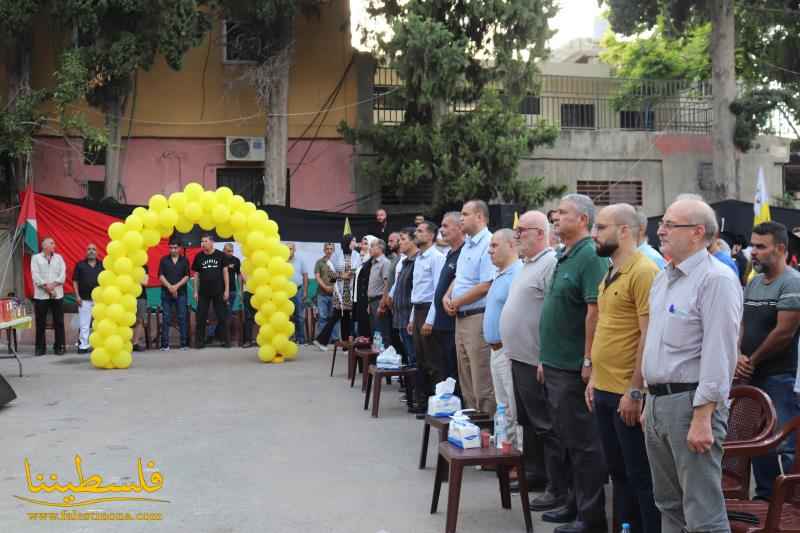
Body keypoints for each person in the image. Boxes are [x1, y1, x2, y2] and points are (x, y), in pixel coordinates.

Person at [642, 198, 742, 533]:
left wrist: (703, 416)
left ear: (698, 232)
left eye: (671, 224)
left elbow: (720, 353)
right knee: (668, 505)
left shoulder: (717, 280)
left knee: (702, 513)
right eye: (663, 223)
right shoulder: (664, 278)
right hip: (658, 404)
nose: (661, 230)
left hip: (691, 405)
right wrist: (647, 400)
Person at [586, 204, 661, 533]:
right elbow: (606, 327)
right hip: (604, 389)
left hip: (625, 394)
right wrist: (594, 378)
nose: (594, 234)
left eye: (601, 227)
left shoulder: (644, 271)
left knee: (639, 476)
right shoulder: (610, 271)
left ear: (625, 231)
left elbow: (648, 334)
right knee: (617, 473)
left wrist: (635, 389)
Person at [539, 194, 609, 533]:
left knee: (584, 445)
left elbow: (594, 312)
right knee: (566, 441)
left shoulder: (590, 257)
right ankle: (573, 502)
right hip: (554, 365)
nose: (555, 216)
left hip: (573, 368)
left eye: (562, 212)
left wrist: (587, 360)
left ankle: (591, 517)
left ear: (582, 219)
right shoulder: (565, 255)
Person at [736, 221, 800, 499]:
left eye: (761, 247)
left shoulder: (793, 282)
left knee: (784, 443)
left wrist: (751, 360)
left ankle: (791, 505)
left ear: (781, 249)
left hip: (779, 377)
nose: (754, 252)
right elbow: (742, 324)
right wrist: (738, 355)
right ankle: (765, 499)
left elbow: (784, 332)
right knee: (757, 440)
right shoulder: (754, 282)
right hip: (753, 375)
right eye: (752, 245)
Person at [502, 210, 561, 501]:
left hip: (536, 359)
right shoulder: (527, 265)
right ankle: (535, 473)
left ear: (540, 233)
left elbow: (554, 315)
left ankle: (555, 485)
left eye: (521, 231)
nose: (516, 236)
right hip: (519, 357)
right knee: (528, 421)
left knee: (546, 425)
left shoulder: (549, 263)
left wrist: (544, 357)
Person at [444, 200, 496, 414]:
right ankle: (472, 428)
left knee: (481, 379)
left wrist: (456, 301)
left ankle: (487, 432)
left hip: (477, 317)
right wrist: (447, 296)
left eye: (466, 214)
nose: (461, 218)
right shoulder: (468, 244)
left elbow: (486, 285)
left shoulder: (489, 243)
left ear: (480, 217)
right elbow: (461, 278)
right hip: (461, 317)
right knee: (465, 378)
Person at [484, 229, 523, 449]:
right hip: (495, 350)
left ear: (511, 245)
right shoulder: (499, 273)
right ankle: (506, 451)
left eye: (495, 245)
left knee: (514, 407)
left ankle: (518, 457)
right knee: (503, 406)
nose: (490, 251)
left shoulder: (517, 273)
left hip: (508, 351)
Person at [409, 221, 446, 415]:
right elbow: (417, 291)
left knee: (433, 361)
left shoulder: (436, 258)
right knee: (420, 359)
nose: (416, 233)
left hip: (429, 311)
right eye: (416, 230)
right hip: (418, 310)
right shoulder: (419, 258)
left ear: (431, 236)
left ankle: (437, 405)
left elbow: (437, 292)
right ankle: (422, 402)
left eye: (421, 231)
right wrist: (411, 318)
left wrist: (430, 319)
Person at [432, 213, 464, 384]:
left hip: (453, 323)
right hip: (441, 322)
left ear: (460, 227)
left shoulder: (464, 253)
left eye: (446, 226)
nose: (441, 230)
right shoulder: (451, 253)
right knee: (444, 368)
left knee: (454, 371)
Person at [314, 235, 356, 350]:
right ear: (347, 242)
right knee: (337, 316)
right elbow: (331, 276)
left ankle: (345, 347)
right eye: (353, 241)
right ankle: (321, 340)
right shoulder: (337, 256)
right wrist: (341, 276)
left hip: (351, 291)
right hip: (340, 292)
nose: (355, 243)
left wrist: (352, 273)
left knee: (345, 317)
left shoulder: (356, 255)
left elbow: (357, 270)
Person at [192, 235, 230, 349]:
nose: (203, 243)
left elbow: (225, 273)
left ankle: (225, 341)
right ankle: (200, 342)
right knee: (201, 317)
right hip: (203, 292)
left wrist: (227, 290)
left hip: (218, 291)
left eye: (205, 241)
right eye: (202, 241)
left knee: (222, 316)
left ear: (212, 242)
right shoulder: (199, 256)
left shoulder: (221, 255)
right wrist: (195, 291)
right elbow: (196, 275)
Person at [31, 237, 66, 356]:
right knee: (40, 322)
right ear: (44, 246)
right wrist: (48, 288)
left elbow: (62, 275)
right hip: (42, 295)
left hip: (57, 294)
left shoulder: (59, 258)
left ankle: (60, 346)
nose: (54, 245)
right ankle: (40, 348)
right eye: (51, 243)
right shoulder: (36, 258)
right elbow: (35, 276)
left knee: (59, 321)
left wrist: (53, 285)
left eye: (54, 243)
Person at [390, 228, 418, 366]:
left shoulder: (417, 261)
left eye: (403, 239)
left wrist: (412, 318)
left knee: (415, 356)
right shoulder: (405, 261)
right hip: (401, 316)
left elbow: (417, 292)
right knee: (408, 354)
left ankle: (416, 386)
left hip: (410, 317)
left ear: (413, 241)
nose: (399, 242)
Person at [158, 241, 190, 350]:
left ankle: (184, 344)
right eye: (171, 248)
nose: (173, 250)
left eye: (175, 248)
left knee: (182, 317)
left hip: (181, 293)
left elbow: (186, 276)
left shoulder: (184, 260)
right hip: (166, 293)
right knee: (166, 318)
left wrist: (176, 287)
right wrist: (170, 287)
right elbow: (161, 276)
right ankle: (165, 345)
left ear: (179, 248)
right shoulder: (164, 260)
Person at [72, 243, 103, 354]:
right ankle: (83, 346)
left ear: (97, 252)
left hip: (100, 300)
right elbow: (75, 281)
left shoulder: (102, 265)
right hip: (84, 299)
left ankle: (98, 345)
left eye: (93, 249)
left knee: (99, 324)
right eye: (89, 249)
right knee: (84, 324)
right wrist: (77, 296)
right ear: (86, 252)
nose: (91, 251)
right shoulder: (80, 265)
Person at [207, 243, 240, 343]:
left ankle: (224, 337)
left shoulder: (236, 260)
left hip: (232, 291)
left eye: (231, 251)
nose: (230, 253)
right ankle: (210, 336)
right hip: (218, 291)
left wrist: (239, 290)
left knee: (228, 315)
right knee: (215, 314)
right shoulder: (218, 259)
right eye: (228, 251)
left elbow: (238, 275)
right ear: (223, 250)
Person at [367, 239, 392, 343]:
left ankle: (384, 357)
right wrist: (369, 303)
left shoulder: (385, 262)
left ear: (381, 248)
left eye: (373, 246)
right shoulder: (373, 263)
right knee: (375, 333)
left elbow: (387, 283)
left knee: (382, 332)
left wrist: (383, 302)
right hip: (372, 301)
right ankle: (377, 357)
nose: (370, 248)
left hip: (379, 300)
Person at [313, 243, 337, 348]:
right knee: (322, 317)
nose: (329, 250)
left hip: (334, 294)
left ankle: (334, 340)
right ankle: (322, 341)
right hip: (322, 294)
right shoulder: (320, 262)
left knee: (334, 317)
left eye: (331, 249)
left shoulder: (335, 263)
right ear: (324, 250)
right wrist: (325, 287)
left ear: (334, 250)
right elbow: (317, 277)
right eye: (327, 249)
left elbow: (335, 276)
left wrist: (333, 287)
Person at [354, 235, 377, 338]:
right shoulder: (362, 260)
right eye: (362, 243)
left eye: (366, 244)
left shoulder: (371, 262)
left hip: (366, 299)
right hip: (358, 298)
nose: (362, 246)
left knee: (366, 326)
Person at [287, 243, 309, 346]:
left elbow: (305, 276)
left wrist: (305, 291)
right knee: (286, 317)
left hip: (298, 290)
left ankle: (300, 339)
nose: (289, 250)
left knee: (299, 316)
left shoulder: (300, 260)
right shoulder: (280, 261)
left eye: (291, 248)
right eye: (287, 248)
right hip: (284, 293)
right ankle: (287, 339)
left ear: (294, 250)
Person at [132, 264, 150, 352]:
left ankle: (135, 343)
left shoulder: (143, 266)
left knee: (140, 319)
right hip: (126, 296)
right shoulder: (123, 264)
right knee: (126, 320)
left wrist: (132, 278)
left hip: (141, 297)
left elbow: (145, 282)